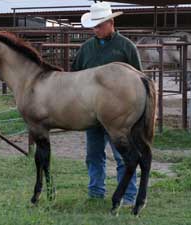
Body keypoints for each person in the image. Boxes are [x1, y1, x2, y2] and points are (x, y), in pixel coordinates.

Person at [71, 2, 142, 206]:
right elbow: (75, 76)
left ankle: (128, 195)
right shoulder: (86, 49)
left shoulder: (126, 47)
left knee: (122, 155)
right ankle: (95, 192)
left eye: (100, 25)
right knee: (93, 154)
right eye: (94, 25)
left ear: (111, 23)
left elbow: (139, 79)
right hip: (91, 112)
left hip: (119, 114)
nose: (96, 29)